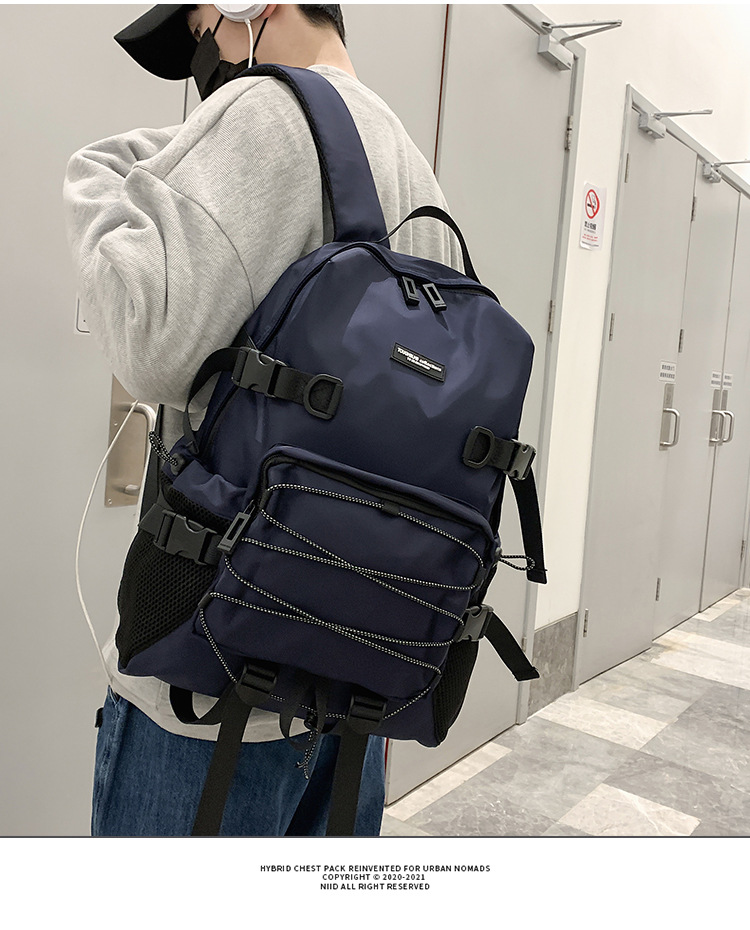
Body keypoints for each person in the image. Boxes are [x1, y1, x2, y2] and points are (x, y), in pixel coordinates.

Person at [63, 3, 462, 837]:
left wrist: (96, 182)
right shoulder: (410, 165)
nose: (203, 58)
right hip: (354, 690)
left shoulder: (264, 113)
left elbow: (149, 344)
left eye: (200, 28)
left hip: (205, 696)